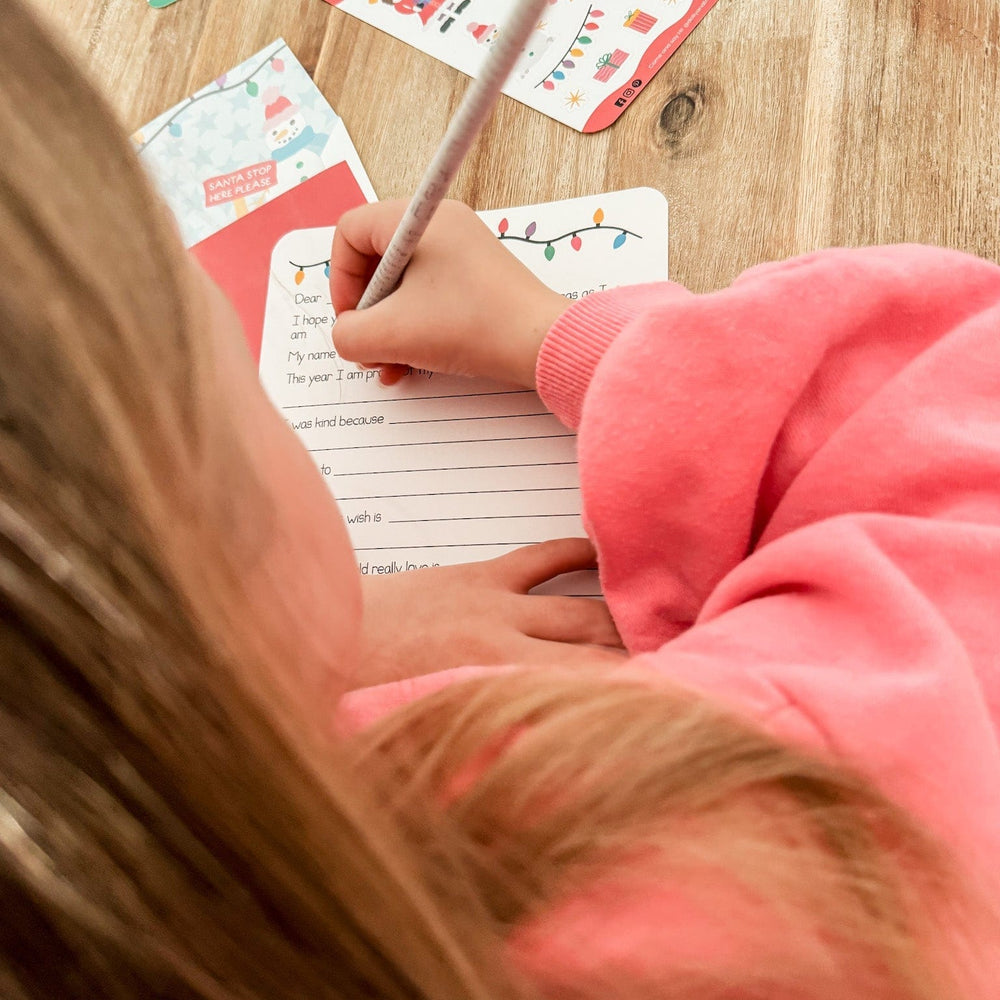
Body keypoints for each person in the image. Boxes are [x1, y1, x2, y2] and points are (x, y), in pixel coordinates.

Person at [0, 3, 996, 1000]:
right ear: (204, 536)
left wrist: (280, 657)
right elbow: (956, 427)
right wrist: (561, 340)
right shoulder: (699, 833)